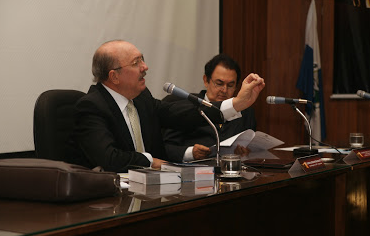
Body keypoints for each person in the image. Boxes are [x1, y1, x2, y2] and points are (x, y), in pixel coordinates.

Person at [67, 40, 265, 172]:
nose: (145, 67)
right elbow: (109, 158)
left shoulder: (142, 98)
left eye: (142, 59)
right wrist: (150, 161)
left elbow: (180, 114)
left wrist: (236, 104)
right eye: (136, 63)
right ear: (114, 76)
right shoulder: (91, 107)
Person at [163, 54, 257, 162]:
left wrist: (245, 153)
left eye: (230, 85)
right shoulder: (186, 106)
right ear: (206, 81)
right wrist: (191, 153)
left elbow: (250, 148)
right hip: (193, 173)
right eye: (219, 83)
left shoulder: (246, 113)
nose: (224, 90)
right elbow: (165, 148)